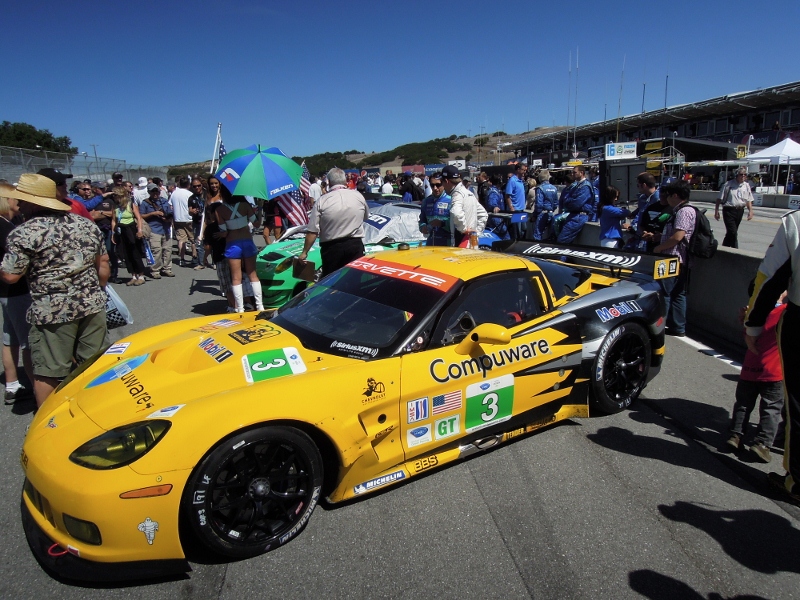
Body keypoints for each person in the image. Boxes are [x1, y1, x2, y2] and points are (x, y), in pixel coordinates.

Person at [0, 174, 109, 407]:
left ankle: (48, 426)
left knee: (49, 371)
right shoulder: (85, 224)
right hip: (91, 304)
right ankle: (95, 411)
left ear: (34, 202)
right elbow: (102, 267)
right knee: (94, 364)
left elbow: (11, 275)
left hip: (53, 311)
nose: (17, 204)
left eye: (22, 199)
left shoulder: (24, 232)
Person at [744, 210, 800, 503]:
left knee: (797, 405)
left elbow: (768, 278)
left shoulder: (795, 222)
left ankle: (797, 482)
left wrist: (753, 324)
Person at [726, 293, 786, 463]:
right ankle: (762, 444)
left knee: (743, 404)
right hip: (774, 371)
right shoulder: (785, 313)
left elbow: (747, 333)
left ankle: (735, 435)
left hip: (749, 369)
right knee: (771, 409)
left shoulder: (752, 313)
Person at [298, 167, 370, 276]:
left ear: (329, 182)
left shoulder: (322, 201)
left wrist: (304, 253)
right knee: (354, 279)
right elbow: (365, 217)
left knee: (332, 282)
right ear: (345, 180)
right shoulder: (358, 196)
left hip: (332, 248)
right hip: (355, 245)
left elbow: (312, 232)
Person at [0, 185, 34, 403]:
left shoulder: (7, 224)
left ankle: (12, 383)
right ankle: (36, 385)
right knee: (29, 342)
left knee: (9, 337)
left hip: (6, 293)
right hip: (17, 290)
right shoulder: (5, 228)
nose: (18, 202)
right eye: (15, 198)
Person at [653, 181, 696, 337]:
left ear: (676, 196)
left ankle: (662, 324)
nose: (666, 199)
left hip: (673, 258)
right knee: (678, 294)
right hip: (680, 259)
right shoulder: (683, 210)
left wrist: (659, 247)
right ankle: (677, 327)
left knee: (665, 293)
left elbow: (678, 236)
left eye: (668, 196)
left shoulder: (683, 212)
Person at [213, 185, 264, 313]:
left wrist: (220, 234)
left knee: (236, 278)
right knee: (253, 275)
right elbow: (257, 224)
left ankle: (240, 309)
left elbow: (224, 232)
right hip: (247, 242)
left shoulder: (220, 210)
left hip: (232, 244)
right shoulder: (245, 205)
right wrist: (260, 208)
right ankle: (260, 306)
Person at [440, 165, 488, 247]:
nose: (443, 186)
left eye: (442, 182)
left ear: (446, 181)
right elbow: (484, 214)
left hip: (461, 243)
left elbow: (456, 212)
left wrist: (464, 229)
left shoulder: (457, 194)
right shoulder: (469, 193)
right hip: (472, 242)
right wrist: (476, 232)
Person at [111, 182, 146, 286]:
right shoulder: (115, 207)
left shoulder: (130, 204)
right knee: (126, 254)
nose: (114, 197)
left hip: (131, 229)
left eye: (116, 195)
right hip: (121, 230)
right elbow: (113, 220)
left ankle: (141, 275)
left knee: (135, 253)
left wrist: (139, 230)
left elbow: (138, 218)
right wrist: (113, 233)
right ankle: (133, 275)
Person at [139, 183, 174, 279]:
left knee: (167, 250)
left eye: (157, 191)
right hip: (154, 229)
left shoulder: (164, 201)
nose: (155, 193)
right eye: (153, 191)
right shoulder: (145, 203)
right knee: (156, 250)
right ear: (149, 192)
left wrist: (168, 218)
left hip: (166, 228)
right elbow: (141, 216)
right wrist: (153, 213)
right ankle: (155, 270)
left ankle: (167, 268)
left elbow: (170, 212)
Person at [715, 167, 754, 248]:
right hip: (729, 210)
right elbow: (719, 198)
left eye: (745, 175)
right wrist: (716, 211)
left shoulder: (746, 186)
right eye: (741, 175)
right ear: (736, 175)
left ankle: (724, 248)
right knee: (733, 232)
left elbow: (749, 199)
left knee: (731, 232)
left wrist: (750, 211)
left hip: (740, 211)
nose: (743, 176)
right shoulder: (728, 184)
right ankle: (735, 250)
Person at [556, 165, 595, 244]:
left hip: (579, 217)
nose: (572, 174)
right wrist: (569, 201)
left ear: (581, 173)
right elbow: (565, 199)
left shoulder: (585, 186)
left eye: (575, 172)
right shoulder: (576, 186)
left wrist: (569, 202)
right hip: (573, 215)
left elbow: (576, 203)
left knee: (562, 241)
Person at [419, 173, 453, 246]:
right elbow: (422, 220)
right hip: (431, 243)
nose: (435, 188)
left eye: (438, 185)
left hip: (448, 243)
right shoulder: (426, 201)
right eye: (432, 185)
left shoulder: (451, 200)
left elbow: (458, 224)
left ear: (443, 183)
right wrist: (423, 227)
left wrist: (442, 223)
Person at [171, 176, 196, 266]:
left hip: (178, 218)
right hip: (189, 218)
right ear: (188, 184)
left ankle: (182, 258)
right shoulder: (189, 194)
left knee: (181, 239)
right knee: (193, 239)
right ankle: (194, 257)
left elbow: (171, 205)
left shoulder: (174, 193)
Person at [529, 169, 559, 241]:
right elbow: (555, 203)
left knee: (537, 234)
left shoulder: (540, 188)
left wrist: (535, 215)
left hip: (542, 214)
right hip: (551, 213)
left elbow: (539, 205)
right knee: (550, 236)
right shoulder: (554, 188)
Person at [504, 163, 527, 239]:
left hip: (522, 209)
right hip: (516, 210)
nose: (524, 172)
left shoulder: (521, 181)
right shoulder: (512, 181)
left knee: (524, 229)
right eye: (523, 170)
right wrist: (511, 208)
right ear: (518, 170)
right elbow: (507, 195)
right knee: (517, 231)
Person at [189, 177, 207, 269]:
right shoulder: (191, 198)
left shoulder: (207, 195)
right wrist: (192, 212)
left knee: (210, 243)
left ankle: (214, 262)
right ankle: (201, 263)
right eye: (194, 186)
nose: (197, 188)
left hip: (208, 222)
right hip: (197, 222)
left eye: (198, 186)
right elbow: (189, 210)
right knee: (199, 242)